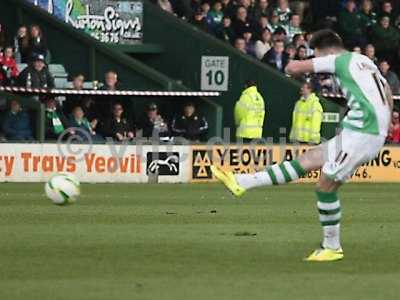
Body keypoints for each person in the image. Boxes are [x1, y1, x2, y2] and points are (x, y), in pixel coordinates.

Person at [211, 29, 393, 262]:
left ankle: (332, 246)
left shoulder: (336, 60)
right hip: (360, 131)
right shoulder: (364, 60)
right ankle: (241, 182)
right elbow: (387, 90)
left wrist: (290, 61)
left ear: (322, 50)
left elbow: (292, 68)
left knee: (325, 187)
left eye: (314, 53)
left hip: (363, 134)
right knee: (307, 160)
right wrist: (385, 124)